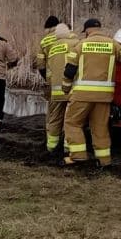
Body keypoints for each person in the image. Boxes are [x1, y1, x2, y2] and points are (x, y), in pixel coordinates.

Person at [61, 18, 121, 168]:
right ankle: (104, 160)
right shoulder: (113, 44)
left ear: (87, 30)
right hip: (104, 97)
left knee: (72, 123)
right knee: (100, 128)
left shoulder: (80, 45)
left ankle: (78, 156)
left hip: (82, 95)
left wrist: (65, 89)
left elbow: (69, 71)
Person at [43, 23, 78, 153]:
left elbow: (48, 71)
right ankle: (68, 148)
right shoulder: (76, 43)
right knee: (71, 120)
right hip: (71, 89)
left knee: (55, 119)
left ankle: (51, 147)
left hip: (56, 90)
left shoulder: (53, 48)